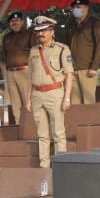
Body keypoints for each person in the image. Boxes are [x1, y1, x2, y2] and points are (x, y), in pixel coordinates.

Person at [28, 15, 73, 168]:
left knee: (58, 133)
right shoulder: (33, 50)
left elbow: (69, 74)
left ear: (52, 32)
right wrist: (28, 99)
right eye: (38, 31)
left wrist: (67, 98)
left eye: (44, 31)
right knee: (42, 135)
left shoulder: (62, 49)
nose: (40, 34)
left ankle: (61, 167)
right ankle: (44, 167)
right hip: (37, 94)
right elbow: (30, 76)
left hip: (55, 93)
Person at [66, 0, 100, 104]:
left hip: (87, 69)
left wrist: (94, 67)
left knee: (88, 103)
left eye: (79, 7)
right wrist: (67, 66)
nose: (76, 9)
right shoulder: (71, 25)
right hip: (72, 69)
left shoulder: (95, 24)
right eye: (75, 7)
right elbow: (67, 48)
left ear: (86, 8)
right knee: (74, 103)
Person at [1, 10, 35, 126]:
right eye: (12, 21)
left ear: (22, 22)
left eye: (17, 20)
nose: (14, 22)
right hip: (11, 72)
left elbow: (35, 53)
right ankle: (20, 128)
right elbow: (5, 54)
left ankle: (32, 128)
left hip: (25, 71)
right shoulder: (6, 37)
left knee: (28, 102)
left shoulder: (30, 34)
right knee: (15, 104)